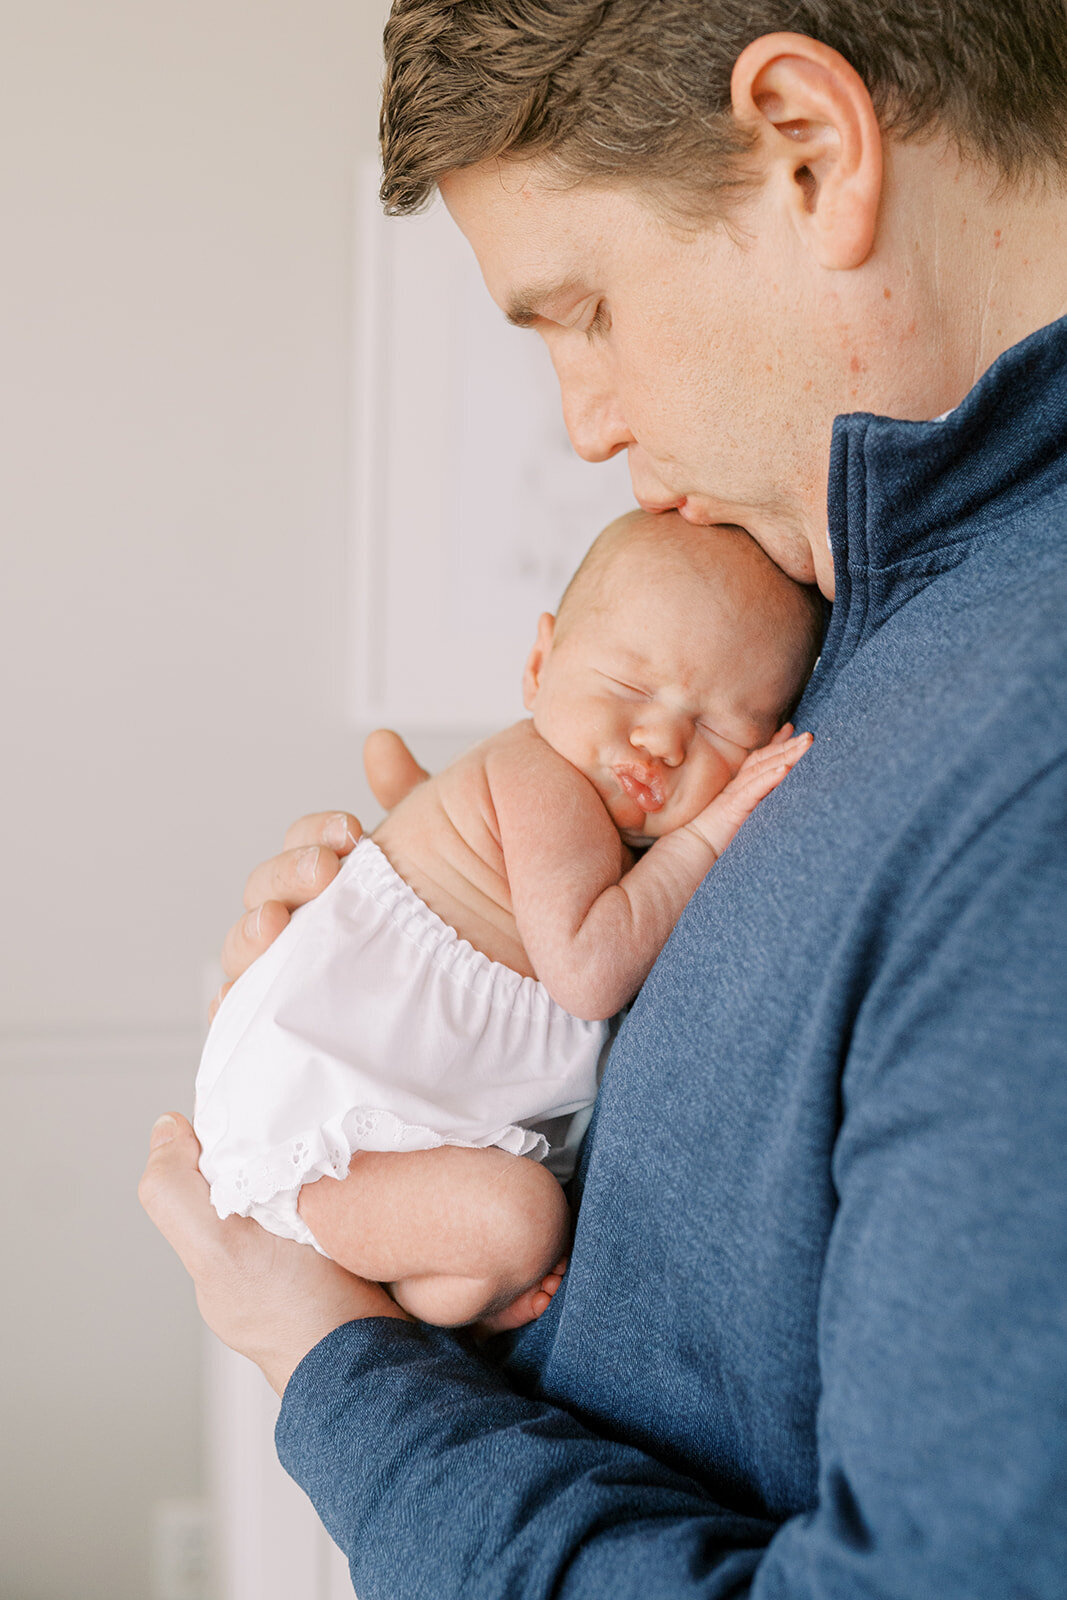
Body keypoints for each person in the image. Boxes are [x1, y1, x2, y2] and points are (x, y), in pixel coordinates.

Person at [140, 4, 1067, 1595]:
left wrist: (337, 1368)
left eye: (582, 312)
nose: (586, 422)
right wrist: (419, 993)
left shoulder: (1026, 777)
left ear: (806, 148)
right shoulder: (849, 614)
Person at [194, 512, 819, 1331]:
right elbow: (591, 972)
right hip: (335, 1127)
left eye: (719, 728)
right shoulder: (543, 781)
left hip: (403, 1119)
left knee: (504, 1230)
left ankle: (438, 1292)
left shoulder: (602, 830)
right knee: (521, 1218)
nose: (661, 739)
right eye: (629, 688)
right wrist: (712, 827)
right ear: (538, 665)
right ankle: (408, 1273)